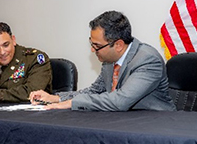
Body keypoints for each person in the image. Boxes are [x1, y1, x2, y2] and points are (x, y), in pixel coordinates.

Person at [29, 10, 176, 111]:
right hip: (124, 122)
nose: (92, 50)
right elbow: (94, 91)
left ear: (118, 45)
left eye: (97, 46)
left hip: (157, 126)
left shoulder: (147, 60)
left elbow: (120, 101)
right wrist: (56, 98)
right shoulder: (109, 60)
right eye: (91, 44)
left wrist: (71, 103)